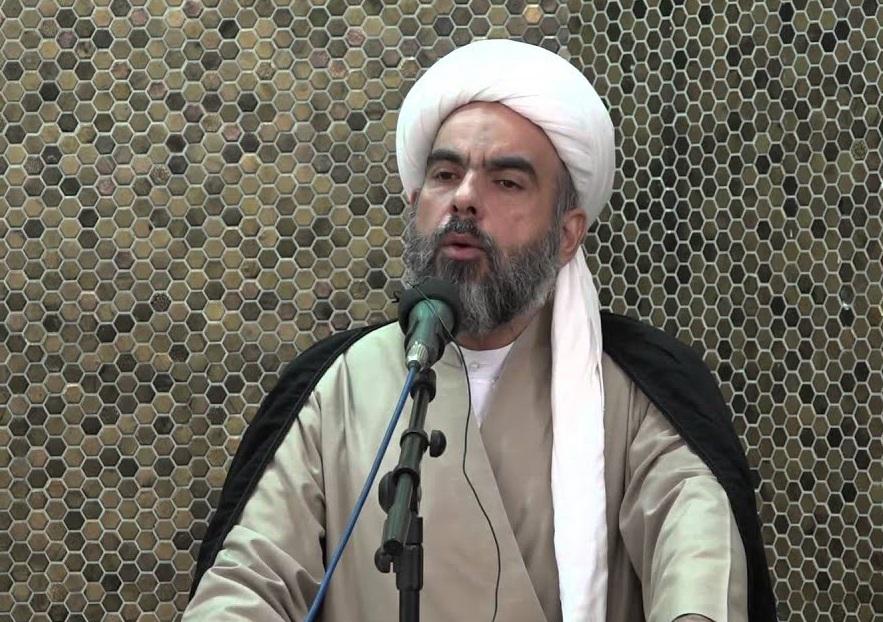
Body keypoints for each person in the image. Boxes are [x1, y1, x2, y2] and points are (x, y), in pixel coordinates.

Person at [183, 40, 775, 622]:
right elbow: (251, 578)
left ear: (567, 234)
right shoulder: (338, 385)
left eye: (506, 181)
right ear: (415, 201)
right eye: (445, 174)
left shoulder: (636, 394)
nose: (464, 198)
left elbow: (698, 568)